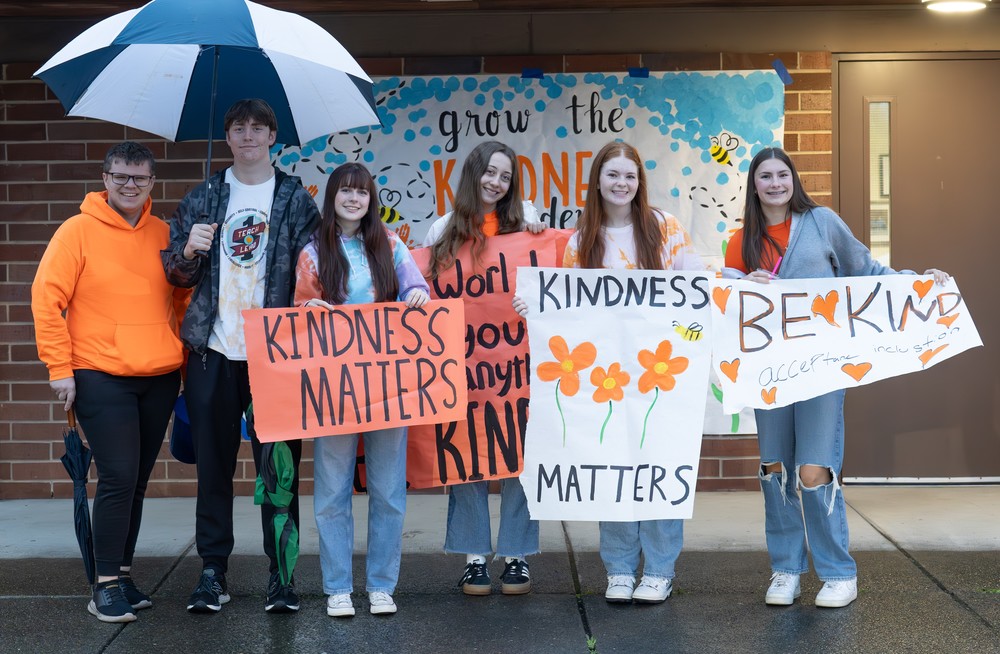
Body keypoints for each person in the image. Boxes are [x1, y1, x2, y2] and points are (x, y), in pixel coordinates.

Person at [724, 147, 950, 609]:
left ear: (793, 179)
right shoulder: (739, 239)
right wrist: (742, 285)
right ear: (753, 184)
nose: (774, 184)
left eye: (782, 175)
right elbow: (724, 303)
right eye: (764, 176)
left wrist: (918, 284)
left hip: (821, 369)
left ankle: (837, 573)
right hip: (767, 371)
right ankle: (785, 569)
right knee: (775, 469)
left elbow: (867, 272)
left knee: (813, 469)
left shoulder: (823, 222)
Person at [517, 141, 703, 605]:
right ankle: (619, 568)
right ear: (597, 179)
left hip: (660, 375)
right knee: (615, 463)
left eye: (630, 176)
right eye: (613, 174)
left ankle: (659, 569)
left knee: (659, 464)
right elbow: (569, 311)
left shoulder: (666, 229)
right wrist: (535, 305)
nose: (622, 184)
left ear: (639, 183)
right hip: (607, 378)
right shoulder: (582, 241)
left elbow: (696, 294)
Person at [162, 99, 320, 614]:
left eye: (258, 127)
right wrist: (190, 250)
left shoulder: (295, 197)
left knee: (279, 468)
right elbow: (175, 275)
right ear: (227, 136)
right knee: (213, 466)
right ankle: (213, 573)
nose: (248, 134)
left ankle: (281, 575)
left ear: (273, 136)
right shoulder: (204, 196)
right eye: (238, 127)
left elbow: (315, 268)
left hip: (273, 353)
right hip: (213, 350)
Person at [32, 142, 188, 623]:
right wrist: (60, 369)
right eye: (120, 176)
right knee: (118, 476)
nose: (129, 185)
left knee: (137, 481)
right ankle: (102, 586)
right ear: (105, 178)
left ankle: (121, 573)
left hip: (158, 376)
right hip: (99, 373)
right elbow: (45, 299)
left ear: (151, 184)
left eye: (139, 179)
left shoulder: (166, 233)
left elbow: (179, 304)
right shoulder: (76, 232)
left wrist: (182, 359)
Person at [294, 163, 430, 617]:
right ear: (331, 196)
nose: (354, 199)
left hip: (388, 387)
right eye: (346, 192)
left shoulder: (391, 245)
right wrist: (308, 306)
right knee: (332, 490)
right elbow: (298, 310)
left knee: (389, 489)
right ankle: (337, 587)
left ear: (371, 200)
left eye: (362, 193)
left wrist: (416, 296)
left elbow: (418, 291)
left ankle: (381, 586)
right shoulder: (313, 251)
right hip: (335, 388)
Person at [422, 140, 545, 596]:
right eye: (489, 172)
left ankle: (516, 555)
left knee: (518, 453)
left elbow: (546, 279)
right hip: (464, 362)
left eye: (505, 176)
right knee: (466, 453)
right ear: (472, 174)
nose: (495, 182)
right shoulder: (444, 228)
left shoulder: (527, 224)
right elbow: (425, 283)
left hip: (517, 362)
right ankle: (474, 557)